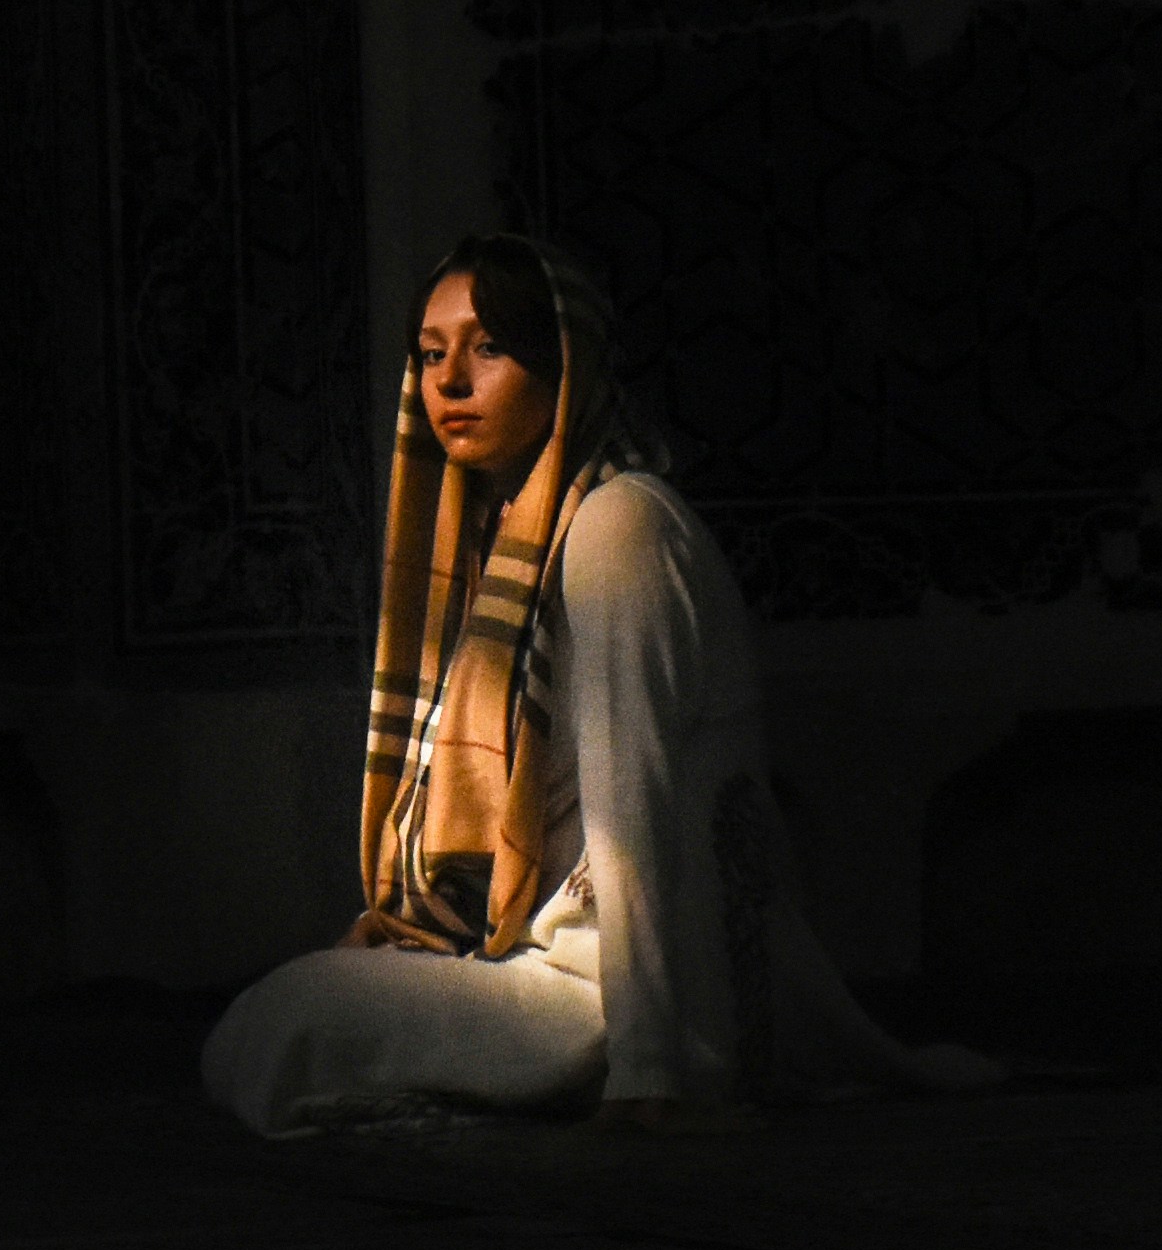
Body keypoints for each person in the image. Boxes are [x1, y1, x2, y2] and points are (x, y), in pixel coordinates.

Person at [201, 233, 991, 1136]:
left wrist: (653, 1072)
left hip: (640, 997)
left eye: (489, 347)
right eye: (431, 354)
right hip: (543, 966)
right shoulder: (497, 543)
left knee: (291, 1029)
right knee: (267, 1020)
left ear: (564, 365)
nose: (450, 382)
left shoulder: (621, 526)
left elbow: (633, 801)